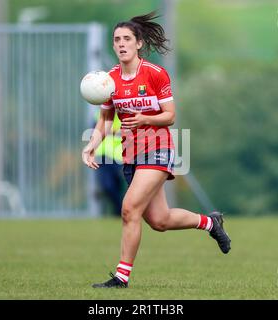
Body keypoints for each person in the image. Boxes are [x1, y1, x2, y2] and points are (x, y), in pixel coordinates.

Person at [81, 12, 231, 288]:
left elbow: (170, 115)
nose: (121, 44)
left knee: (128, 209)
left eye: (127, 38)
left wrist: (146, 119)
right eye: (117, 40)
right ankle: (211, 223)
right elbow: (104, 120)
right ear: (113, 46)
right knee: (160, 220)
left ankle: (121, 278)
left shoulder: (155, 74)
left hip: (158, 149)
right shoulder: (109, 81)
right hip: (131, 154)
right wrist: (91, 146)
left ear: (139, 43)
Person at [94, 111, 125, 217]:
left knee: (120, 186)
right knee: (108, 186)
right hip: (102, 156)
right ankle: (119, 210)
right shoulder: (101, 112)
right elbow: (95, 130)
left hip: (119, 157)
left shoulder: (126, 112)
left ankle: (120, 212)